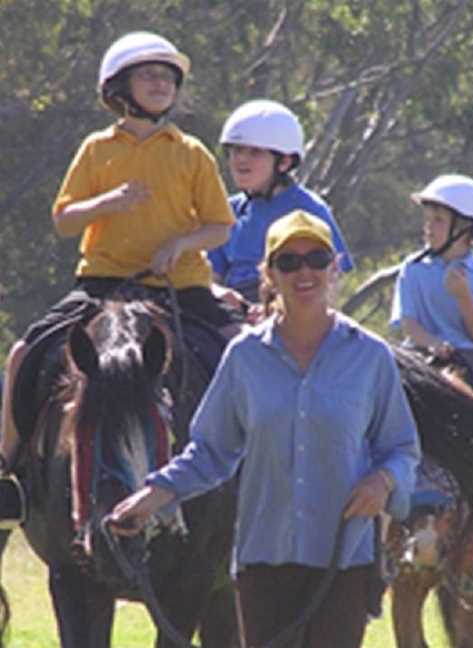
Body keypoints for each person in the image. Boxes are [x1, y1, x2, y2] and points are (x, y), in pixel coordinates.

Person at [108, 210, 420, 648]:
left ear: (334, 267)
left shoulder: (370, 357)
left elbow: (403, 449)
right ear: (269, 274)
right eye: (288, 262)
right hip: (263, 562)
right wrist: (152, 496)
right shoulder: (244, 357)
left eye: (316, 258)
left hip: (343, 561)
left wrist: (383, 481)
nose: (303, 271)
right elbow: (211, 451)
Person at [0, 31, 238, 522]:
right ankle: (10, 470)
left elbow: (220, 226)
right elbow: (64, 219)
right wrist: (105, 204)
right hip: (103, 285)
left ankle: (254, 469)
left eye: (168, 77)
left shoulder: (192, 152)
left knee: (243, 351)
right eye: (149, 75)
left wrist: (180, 244)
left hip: (181, 288)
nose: (161, 83)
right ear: (120, 88)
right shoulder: (96, 149)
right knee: (25, 352)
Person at [390, 173, 473, 401]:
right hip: (420, 354)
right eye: (427, 219)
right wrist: (434, 344)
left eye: (438, 220)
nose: (428, 227)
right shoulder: (412, 269)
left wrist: (464, 297)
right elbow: (408, 324)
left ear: (464, 228)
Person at [208, 99, 353, 306]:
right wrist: (220, 294)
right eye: (237, 150)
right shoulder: (228, 209)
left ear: (284, 162)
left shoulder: (309, 209)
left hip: (290, 307)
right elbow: (212, 276)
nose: (242, 159)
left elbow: (332, 279)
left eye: (255, 152)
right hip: (232, 310)